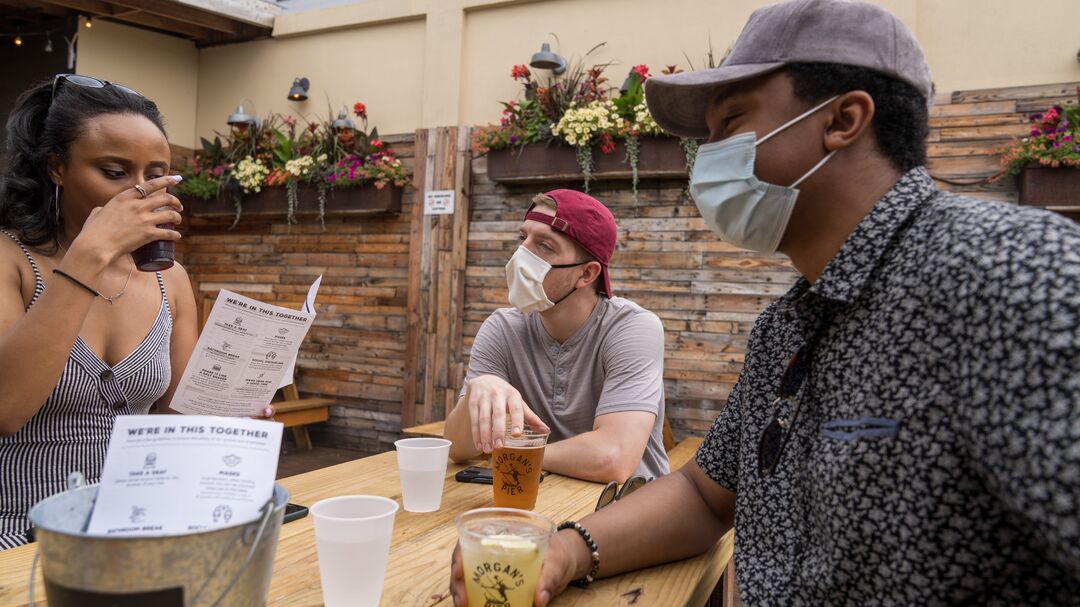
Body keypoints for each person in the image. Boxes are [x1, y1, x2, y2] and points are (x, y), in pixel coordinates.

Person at [450, 0, 1080, 604]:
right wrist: (566, 549)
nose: (710, 155)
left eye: (731, 123)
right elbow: (704, 496)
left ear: (842, 120)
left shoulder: (1016, 274)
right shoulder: (789, 325)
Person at [0, 75, 197, 549]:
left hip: (133, 526)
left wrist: (233, 412)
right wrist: (92, 254)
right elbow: (6, 409)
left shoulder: (172, 281)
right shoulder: (10, 260)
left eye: (156, 175)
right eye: (114, 172)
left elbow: (175, 420)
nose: (141, 193)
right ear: (57, 169)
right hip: (18, 531)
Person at [443, 189, 669, 482]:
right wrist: (477, 388)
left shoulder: (632, 328)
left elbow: (613, 458)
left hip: (629, 508)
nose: (521, 254)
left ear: (586, 274)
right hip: (541, 500)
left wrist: (511, 452)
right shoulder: (502, 327)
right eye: (522, 238)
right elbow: (459, 449)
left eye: (544, 246)